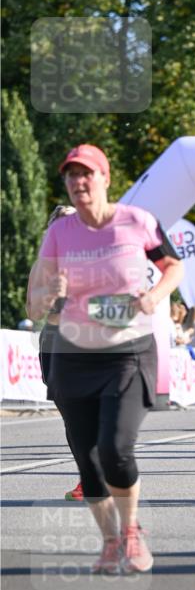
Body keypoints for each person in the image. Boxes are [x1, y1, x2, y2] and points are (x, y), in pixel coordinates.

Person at [31, 144, 184, 573]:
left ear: (105, 178)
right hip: (73, 355)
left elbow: (173, 266)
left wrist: (154, 295)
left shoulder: (137, 221)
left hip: (127, 353)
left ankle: (131, 531)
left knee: (115, 448)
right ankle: (110, 541)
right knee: (88, 459)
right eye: (71, 175)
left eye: (87, 174)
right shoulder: (59, 233)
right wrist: (52, 295)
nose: (78, 182)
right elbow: (33, 303)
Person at [26, 204, 82, 500]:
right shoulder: (41, 267)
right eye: (61, 224)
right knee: (71, 416)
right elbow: (32, 312)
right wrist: (50, 294)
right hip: (53, 341)